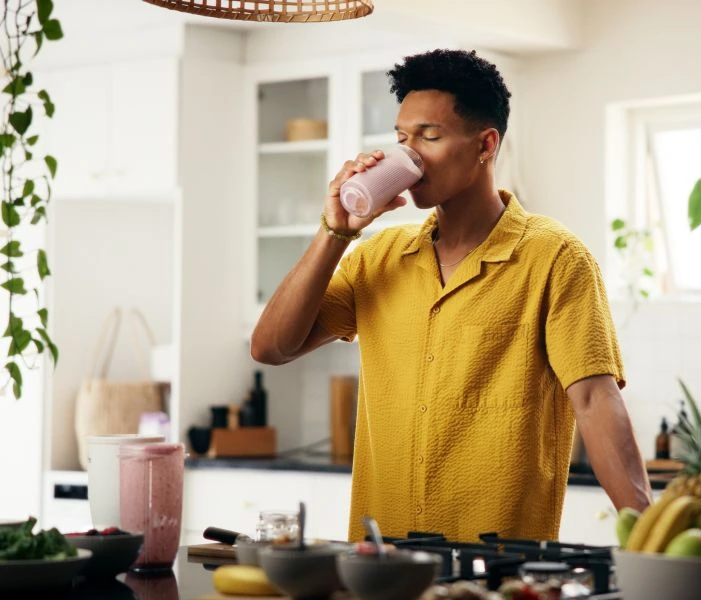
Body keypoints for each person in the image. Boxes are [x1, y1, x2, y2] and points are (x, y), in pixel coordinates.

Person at [251, 49, 651, 543]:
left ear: (485, 144)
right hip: (383, 564)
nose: (410, 155)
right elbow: (271, 347)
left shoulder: (555, 257)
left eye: (429, 136)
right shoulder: (377, 259)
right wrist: (335, 230)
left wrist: (653, 538)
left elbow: (594, 401)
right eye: (402, 139)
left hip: (497, 565)